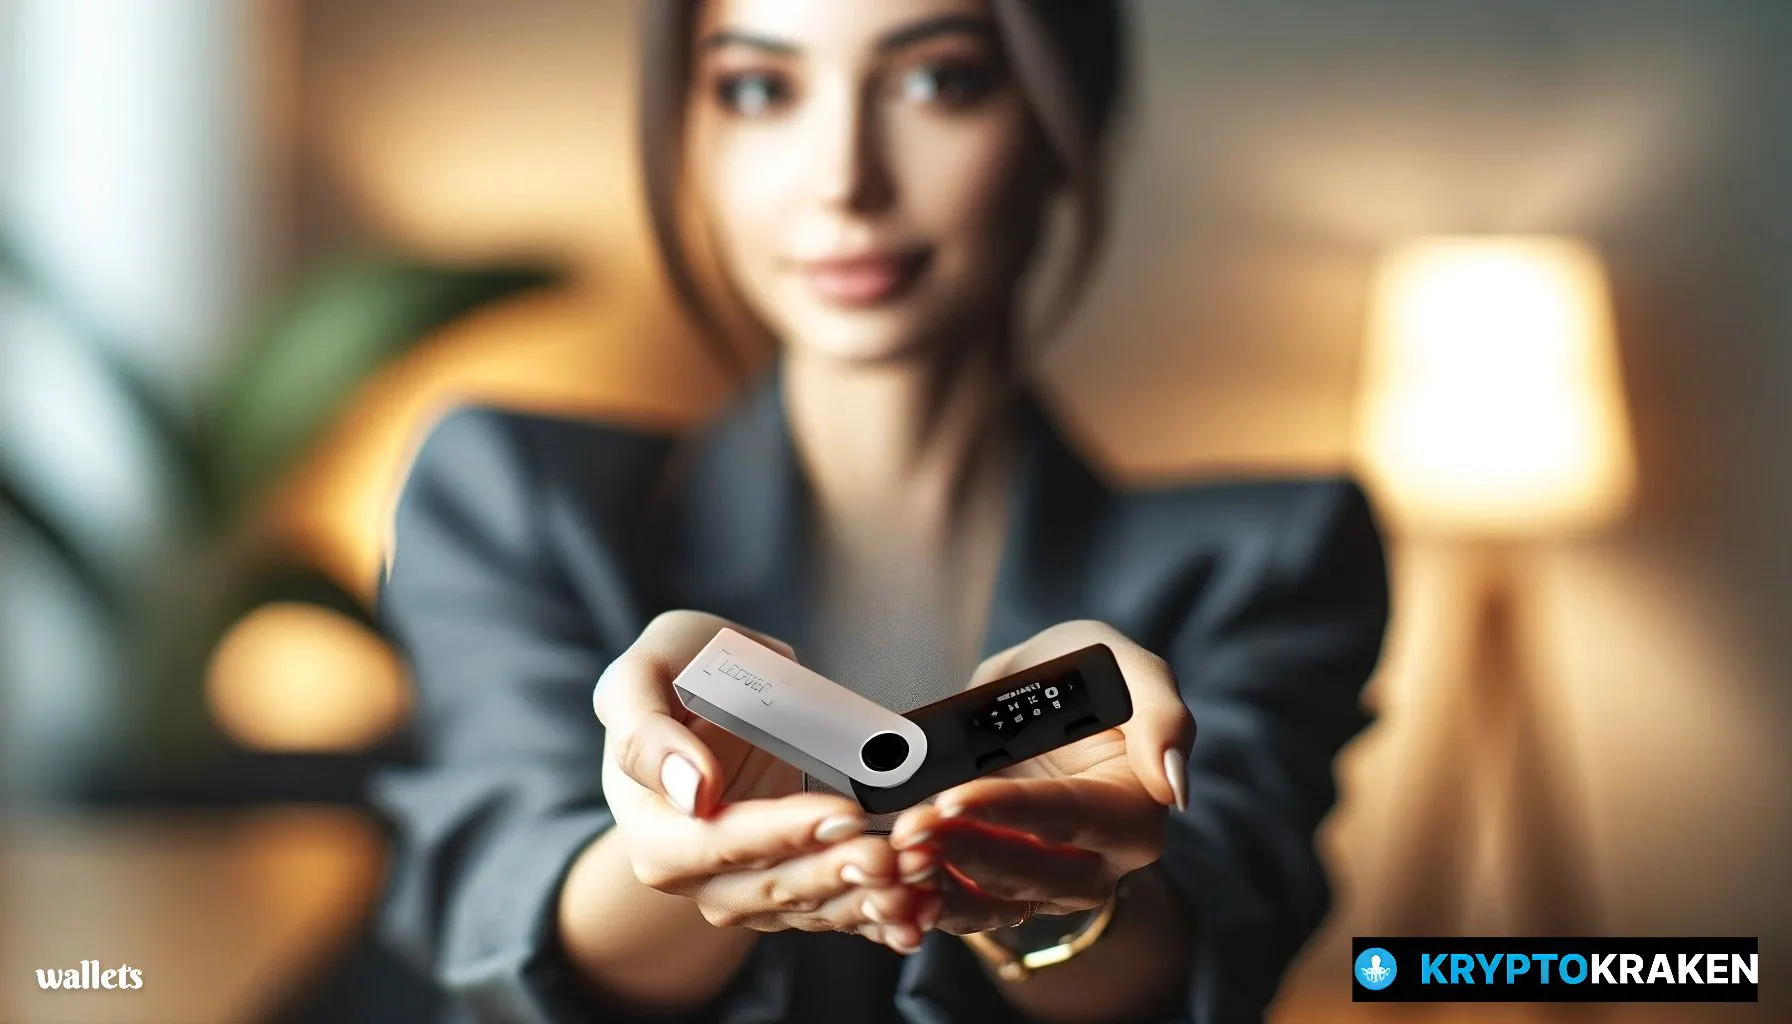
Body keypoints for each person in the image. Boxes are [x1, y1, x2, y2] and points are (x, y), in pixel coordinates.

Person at [371, 1, 1391, 1021]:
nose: (843, 180)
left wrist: (1049, 890)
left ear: (1064, 115)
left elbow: (1220, 947)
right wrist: (685, 836)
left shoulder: (1275, 555)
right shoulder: (514, 496)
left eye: (936, 81)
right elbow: (491, 914)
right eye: (760, 89)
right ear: (689, 130)